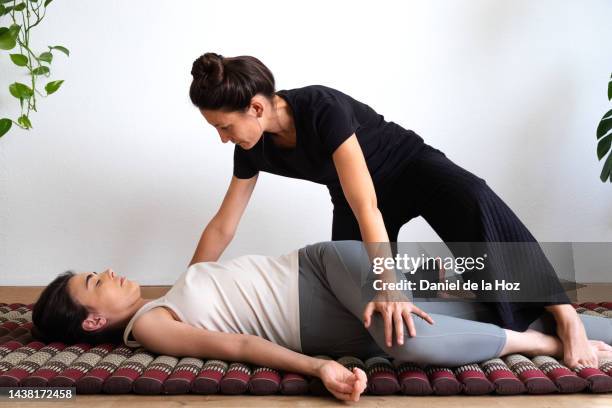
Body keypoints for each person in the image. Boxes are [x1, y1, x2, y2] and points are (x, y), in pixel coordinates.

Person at [186, 52, 597, 370]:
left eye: (224, 127)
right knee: (356, 301)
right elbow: (224, 225)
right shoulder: (251, 147)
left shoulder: (320, 107)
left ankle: (564, 314)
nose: (223, 139)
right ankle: (461, 309)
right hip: (353, 197)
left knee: (475, 200)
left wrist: (390, 284)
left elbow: (367, 204)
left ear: (255, 108)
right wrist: (186, 287)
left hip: (409, 168)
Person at [32, 240, 612, 402]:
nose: (106, 271)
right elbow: (234, 344)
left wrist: (245, 159)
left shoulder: (176, 289)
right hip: (334, 317)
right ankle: (560, 327)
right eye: (94, 282)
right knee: (446, 321)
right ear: (92, 323)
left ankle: (544, 337)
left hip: (327, 271)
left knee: (421, 321)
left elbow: (220, 229)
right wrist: (318, 368)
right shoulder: (151, 328)